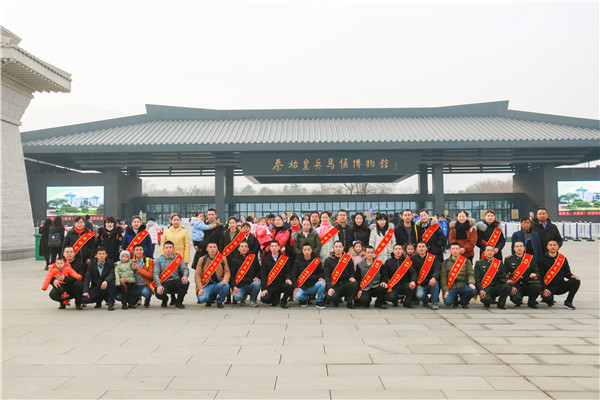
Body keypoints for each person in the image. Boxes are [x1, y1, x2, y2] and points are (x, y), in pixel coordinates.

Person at [538, 239, 580, 310]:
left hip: (561, 285)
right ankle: (547, 299)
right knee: (549, 300)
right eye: (550, 245)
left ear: (558, 247)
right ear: (547, 247)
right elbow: (540, 276)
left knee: (576, 281)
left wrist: (572, 276)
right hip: (548, 287)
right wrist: (544, 289)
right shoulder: (542, 260)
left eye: (554, 245)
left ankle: (568, 302)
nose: (552, 247)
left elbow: (567, 273)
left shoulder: (562, 259)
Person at [502, 241, 542, 309]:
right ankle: (518, 299)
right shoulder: (509, 259)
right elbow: (505, 274)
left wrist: (534, 274)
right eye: (517, 246)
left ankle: (531, 302)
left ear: (524, 248)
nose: (519, 248)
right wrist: (510, 286)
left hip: (528, 284)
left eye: (521, 246)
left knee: (537, 286)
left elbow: (536, 270)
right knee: (517, 300)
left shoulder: (530, 258)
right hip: (516, 286)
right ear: (514, 248)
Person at [153, 240, 190, 308]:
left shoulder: (178, 259)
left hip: (175, 281)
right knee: (158, 294)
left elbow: (185, 268)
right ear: (163, 249)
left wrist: (185, 276)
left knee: (186, 283)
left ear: (173, 249)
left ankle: (179, 302)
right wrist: (158, 285)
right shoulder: (159, 260)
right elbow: (155, 273)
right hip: (164, 282)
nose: (168, 249)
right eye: (166, 248)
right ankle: (165, 300)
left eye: (170, 247)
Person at [324, 241, 359, 309]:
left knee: (354, 283)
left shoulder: (348, 259)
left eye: (340, 247)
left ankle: (349, 302)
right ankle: (335, 301)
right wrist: (330, 288)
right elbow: (326, 276)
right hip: (335, 285)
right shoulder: (328, 260)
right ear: (333, 248)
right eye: (336, 247)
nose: (338, 249)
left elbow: (352, 272)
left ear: (343, 248)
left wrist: (351, 277)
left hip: (345, 284)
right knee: (330, 297)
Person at [474, 245, 511, 310]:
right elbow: (477, 279)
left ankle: (501, 304)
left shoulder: (499, 263)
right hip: (485, 288)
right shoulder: (479, 263)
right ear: (484, 252)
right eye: (487, 250)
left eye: (491, 250)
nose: (489, 252)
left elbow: (503, 276)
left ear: (494, 252)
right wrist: (480, 290)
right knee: (487, 301)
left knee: (507, 287)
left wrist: (506, 281)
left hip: (496, 287)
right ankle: (486, 301)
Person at [441, 243, 477, 309]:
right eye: (453, 249)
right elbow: (443, 277)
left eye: (457, 249)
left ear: (460, 250)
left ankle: (463, 300)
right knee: (447, 302)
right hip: (451, 286)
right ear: (450, 250)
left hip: (463, 285)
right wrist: (445, 290)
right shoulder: (446, 262)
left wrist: (471, 283)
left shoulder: (466, 261)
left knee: (473, 290)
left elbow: (471, 274)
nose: (455, 251)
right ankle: (455, 299)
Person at [195, 242, 230, 308]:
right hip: (206, 285)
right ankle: (209, 299)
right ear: (207, 249)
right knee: (202, 299)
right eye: (210, 247)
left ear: (217, 249)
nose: (212, 249)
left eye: (214, 247)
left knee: (226, 285)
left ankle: (219, 301)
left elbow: (227, 271)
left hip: (218, 284)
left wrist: (225, 279)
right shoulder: (202, 259)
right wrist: (200, 288)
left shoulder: (222, 258)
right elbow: (197, 275)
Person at [260, 241, 293, 308]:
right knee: (264, 299)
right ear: (270, 248)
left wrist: (288, 278)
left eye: (275, 246)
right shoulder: (266, 259)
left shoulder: (284, 258)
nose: (274, 248)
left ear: (279, 247)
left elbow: (288, 272)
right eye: (272, 246)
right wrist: (264, 288)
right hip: (271, 285)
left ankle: (283, 300)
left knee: (289, 286)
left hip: (281, 283)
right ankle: (275, 299)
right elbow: (263, 275)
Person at [292, 243, 326, 308]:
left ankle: (319, 301)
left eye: (308, 250)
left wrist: (321, 277)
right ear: (302, 251)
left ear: (311, 250)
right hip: (302, 286)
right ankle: (305, 299)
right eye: (305, 250)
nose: (307, 252)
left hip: (313, 285)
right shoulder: (297, 261)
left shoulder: (316, 260)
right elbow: (294, 275)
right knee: (296, 296)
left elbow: (321, 271)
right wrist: (295, 287)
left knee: (322, 283)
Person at [81, 247, 115, 311]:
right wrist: (86, 291)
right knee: (84, 299)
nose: (101, 255)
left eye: (103, 254)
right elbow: (87, 278)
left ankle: (111, 303)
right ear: (96, 255)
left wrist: (106, 281)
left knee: (112, 282)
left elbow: (112, 274)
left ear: (106, 255)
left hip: (106, 287)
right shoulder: (91, 264)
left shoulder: (110, 263)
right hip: (96, 287)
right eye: (99, 254)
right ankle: (98, 300)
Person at [384, 244, 417, 308]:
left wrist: (413, 281)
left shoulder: (407, 261)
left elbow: (414, 273)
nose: (398, 251)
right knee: (389, 297)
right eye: (396, 249)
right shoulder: (388, 262)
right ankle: (395, 301)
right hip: (393, 286)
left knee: (413, 286)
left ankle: (407, 303)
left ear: (402, 251)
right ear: (393, 251)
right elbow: (385, 275)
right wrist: (385, 283)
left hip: (405, 284)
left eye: (399, 249)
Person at [229, 241, 261, 307]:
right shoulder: (234, 260)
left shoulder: (253, 258)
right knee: (237, 298)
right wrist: (234, 287)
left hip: (251, 284)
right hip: (240, 285)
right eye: (242, 247)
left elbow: (258, 270)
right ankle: (243, 298)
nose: (244, 248)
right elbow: (231, 276)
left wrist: (257, 277)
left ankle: (253, 300)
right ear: (238, 249)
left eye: (245, 247)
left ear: (248, 249)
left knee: (257, 284)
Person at [412, 241, 441, 310]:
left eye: (423, 247)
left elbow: (437, 269)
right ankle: (425, 301)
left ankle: (435, 303)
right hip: (420, 283)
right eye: (419, 247)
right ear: (416, 249)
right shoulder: (413, 259)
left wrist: (434, 277)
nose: (421, 249)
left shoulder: (433, 258)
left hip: (430, 282)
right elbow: (413, 272)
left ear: (426, 248)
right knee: (419, 295)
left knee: (435, 283)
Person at [130, 244, 154, 308]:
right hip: (135, 286)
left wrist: (138, 269)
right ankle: (137, 298)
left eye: (140, 250)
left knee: (146, 293)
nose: (139, 252)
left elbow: (151, 275)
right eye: (137, 250)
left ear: (143, 251)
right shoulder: (131, 262)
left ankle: (147, 301)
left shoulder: (149, 261)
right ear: (134, 252)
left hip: (145, 285)